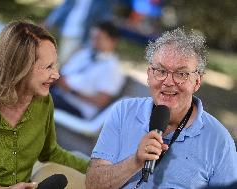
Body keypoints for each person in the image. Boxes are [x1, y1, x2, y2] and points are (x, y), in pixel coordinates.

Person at [85, 28, 237, 188]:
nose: (169, 82)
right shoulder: (124, 111)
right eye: (161, 71)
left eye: (181, 74)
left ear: (197, 82)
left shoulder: (219, 140)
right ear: (149, 75)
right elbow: (93, 184)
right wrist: (135, 161)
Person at [0, 20, 88, 189]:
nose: (56, 75)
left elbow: (50, 152)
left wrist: (94, 167)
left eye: (55, 65)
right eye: (48, 67)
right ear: (20, 68)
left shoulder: (44, 102)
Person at [50, 21, 125, 119]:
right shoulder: (85, 53)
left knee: (36, 98)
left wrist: (71, 91)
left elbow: (101, 101)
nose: (93, 41)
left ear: (112, 41)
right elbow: (63, 73)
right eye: (92, 37)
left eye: (98, 38)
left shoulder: (112, 68)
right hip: (58, 94)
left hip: (77, 108)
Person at [45, 0, 113, 66]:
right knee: (64, 64)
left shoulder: (103, 2)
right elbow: (64, 7)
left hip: (86, 36)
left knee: (77, 64)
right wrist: (50, 21)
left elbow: (103, 19)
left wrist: (93, 39)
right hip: (68, 32)